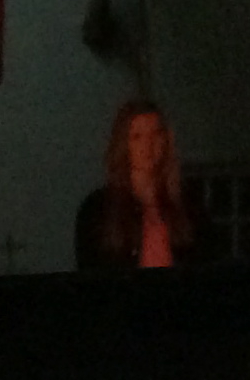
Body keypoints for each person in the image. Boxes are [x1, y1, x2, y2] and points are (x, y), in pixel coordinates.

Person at [74, 99, 200, 271]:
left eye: (155, 134)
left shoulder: (188, 205)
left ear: (166, 140)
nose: (148, 145)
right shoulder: (97, 210)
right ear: (123, 144)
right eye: (137, 137)